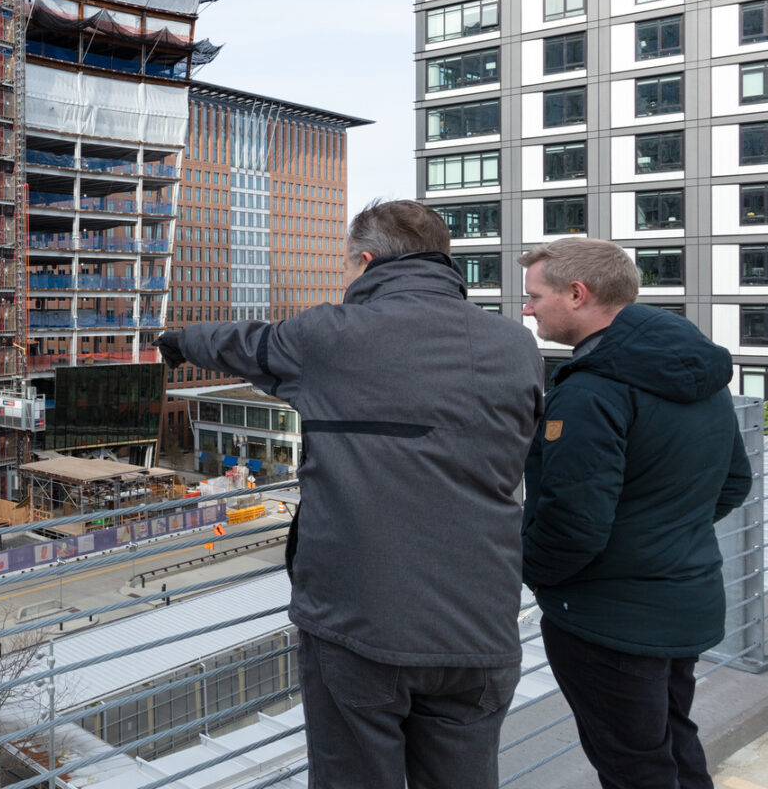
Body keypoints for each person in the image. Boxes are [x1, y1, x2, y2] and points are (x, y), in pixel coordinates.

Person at [156, 199, 543, 789]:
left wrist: (176, 341)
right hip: (482, 626)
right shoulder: (516, 346)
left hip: (361, 622)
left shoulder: (331, 336)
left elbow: (242, 342)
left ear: (366, 261)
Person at [519, 238, 755, 789]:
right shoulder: (695, 372)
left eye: (534, 296)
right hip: (683, 601)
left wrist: (533, 573)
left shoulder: (593, 391)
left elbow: (574, 521)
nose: (527, 309)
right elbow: (734, 482)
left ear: (578, 294)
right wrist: (662, 535)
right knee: (672, 744)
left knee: (633, 767)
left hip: (608, 620)